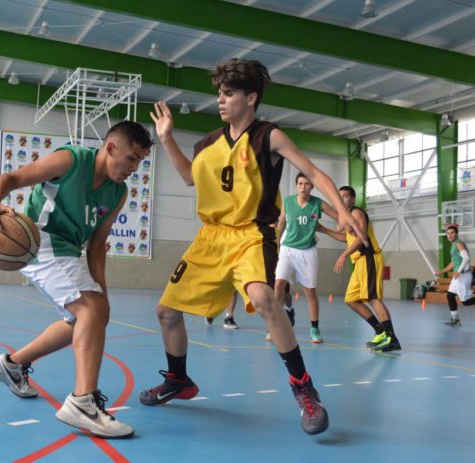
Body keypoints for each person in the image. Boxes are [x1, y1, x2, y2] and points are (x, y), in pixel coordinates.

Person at [140, 58, 366, 436]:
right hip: (211, 237)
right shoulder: (208, 143)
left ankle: (304, 388)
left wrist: (341, 210)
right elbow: (186, 177)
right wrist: (166, 138)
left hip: (252, 234)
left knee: (263, 297)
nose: (221, 101)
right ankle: (179, 380)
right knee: (165, 311)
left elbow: (313, 172)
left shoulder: (268, 136)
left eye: (229, 94)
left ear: (252, 98)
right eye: (219, 94)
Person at [0, 121, 153, 439]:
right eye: (131, 158)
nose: (134, 167)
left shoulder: (118, 192)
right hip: (38, 240)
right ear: (110, 147)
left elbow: (97, 245)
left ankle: (12, 364)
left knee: (89, 317)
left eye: (140, 161)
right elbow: (11, 178)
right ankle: (82, 403)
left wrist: (103, 295)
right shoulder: (71, 160)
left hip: (68, 250)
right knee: (91, 312)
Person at [318, 186, 401, 352]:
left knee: (373, 298)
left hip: (369, 258)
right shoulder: (346, 217)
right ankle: (380, 332)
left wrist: (343, 255)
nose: (342, 200)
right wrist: (325, 230)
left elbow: (361, 239)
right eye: (339, 197)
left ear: (353, 199)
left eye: (345, 196)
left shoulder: (357, 213)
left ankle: (392, 338)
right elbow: (347, 239)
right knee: (351, 300)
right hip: (359, 262)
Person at [274, 172, 338, 343]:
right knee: (278, 284)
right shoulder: (287, 202)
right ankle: (275, 326)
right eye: (300, 183)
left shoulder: (318, 204)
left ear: (312, 187)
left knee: (309, 291)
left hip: (308, 250)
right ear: (296, 186)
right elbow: (281, 223)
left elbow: (338, 216)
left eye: (307, 184)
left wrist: (345, 222)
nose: (303, 187)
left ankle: (315, 329)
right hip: (287, 248)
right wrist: (276, 244)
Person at [434, 225, 475, 326]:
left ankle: (456, 320)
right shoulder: (452, 246)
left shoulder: (459, 244)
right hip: (458, 276)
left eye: (452, 233)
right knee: (450, 295)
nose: (449, 235)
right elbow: (453, 263)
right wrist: (441, 271)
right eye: (448, 233)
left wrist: (459, 271)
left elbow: (466, 258)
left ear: (456, 234)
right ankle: (455, 320)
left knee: (465, 302)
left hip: (463, 276)